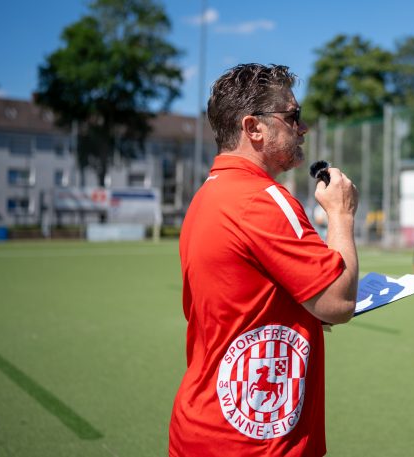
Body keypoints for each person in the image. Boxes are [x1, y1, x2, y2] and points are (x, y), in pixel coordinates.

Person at [169, 64, 359, 456]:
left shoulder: (209, 194)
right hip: (257, 443)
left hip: (200, 430)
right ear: (253, 128)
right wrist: (340, 214)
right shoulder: (263, 199)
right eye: (293, 117)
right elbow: (337, 303)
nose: (302, 128)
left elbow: (242, 300)